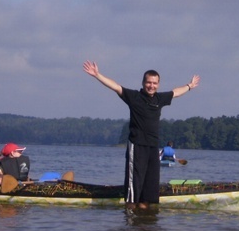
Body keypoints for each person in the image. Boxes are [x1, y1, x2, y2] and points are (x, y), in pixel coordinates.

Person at [83, 60, 200, 210]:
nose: (151, 86)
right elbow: (116, 87)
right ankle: (131, 223)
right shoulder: (134, 97)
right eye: (149, 82)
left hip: (153, 147)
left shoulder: (159, 99)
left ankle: (145, 223)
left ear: (158, 84)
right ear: (143, 83)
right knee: (134, 191)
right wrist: (97, 75)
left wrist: (189, 86)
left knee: (149, 190)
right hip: (136, 146)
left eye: (155, 83)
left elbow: (176, 92)